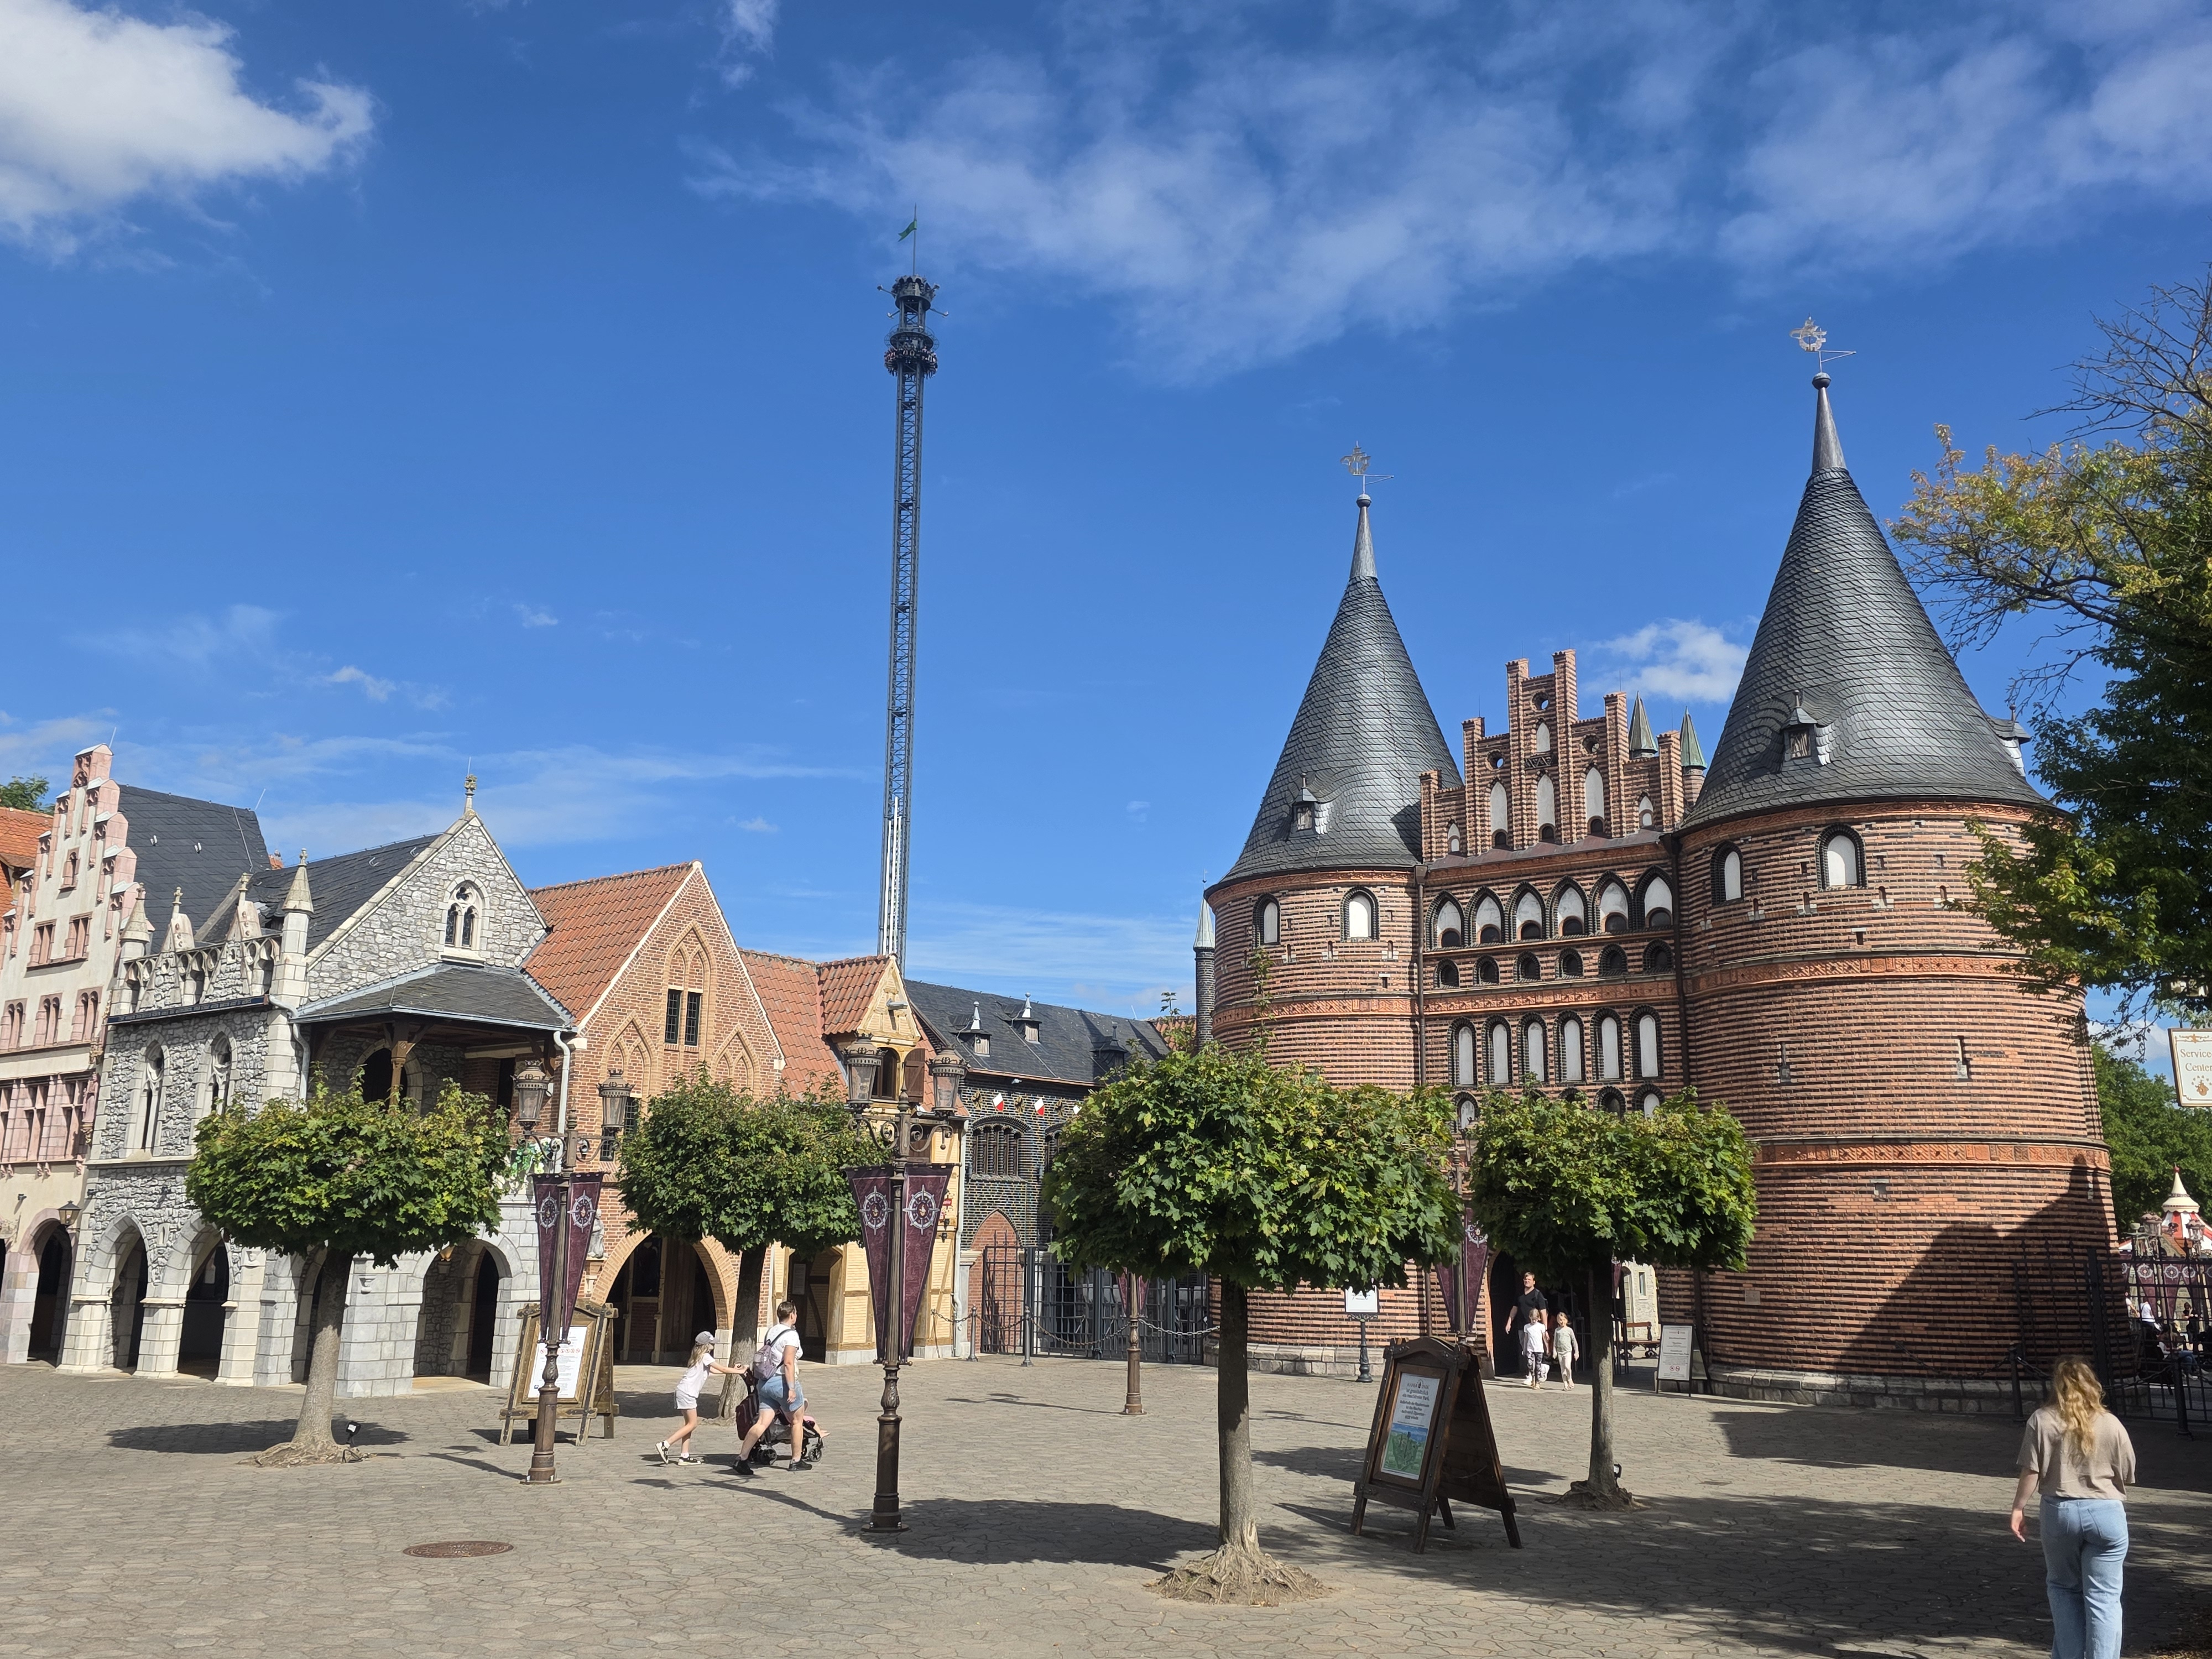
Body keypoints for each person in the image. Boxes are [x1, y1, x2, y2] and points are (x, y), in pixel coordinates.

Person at [2011, 1356, 2136, 1659]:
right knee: (2104, 1598)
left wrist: (2018, 1508)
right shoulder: (2111, 1423)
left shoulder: (2042, 1420)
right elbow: (2129, 1471)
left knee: (2064, 1588)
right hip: (2107, 1513)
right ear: (2092, 1386)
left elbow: (2031, 1470)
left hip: (2061, 1512)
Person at [737, 1300, 821, 1470]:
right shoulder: (791, 1336)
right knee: (797, 1421)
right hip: (781, 1382)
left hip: (765, 1382)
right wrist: (791, 1388)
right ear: (792, 1315)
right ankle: (796, 1460)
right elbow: (788, 1363)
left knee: (762, 1423)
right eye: (795, 1313)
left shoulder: (772, 1331)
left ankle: (742, 1459)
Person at [659, 1331, 742, 1466]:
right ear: (707, 1345)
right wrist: (740, 1371)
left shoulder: (698, 1357)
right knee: (693, 1424)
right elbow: (722, 1369)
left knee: (688, 1425)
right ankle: (666, 1444)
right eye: (712, 1343)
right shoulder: (706, 1357)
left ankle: (684, 1456)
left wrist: (733, 1370)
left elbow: (716, 1371)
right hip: (688, 1393)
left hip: (683, 1392)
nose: (714, 1345)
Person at [1505, 1272, 1548, 1387]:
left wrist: (1545, 1329)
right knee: (1527, 1351)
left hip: (1535, 1328)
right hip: (1523, 1327)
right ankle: (1532, 1374)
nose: (1527, 1281)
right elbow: (1515, 1309)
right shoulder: (1520, 1294)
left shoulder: (1538, 1295)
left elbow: (1543, 1312)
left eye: (1529, 1279)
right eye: (1525, 1279)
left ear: (1534, 1282)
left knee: (1535, 1350)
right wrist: (1509, 1322)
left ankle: (1533, 1374)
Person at [1551, 1310, 1580, 1391]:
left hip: (1568, 1351)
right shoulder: (1557, 1330)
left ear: (1567, 1320)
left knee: (1568, 1366)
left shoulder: (1569, 1330)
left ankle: (1570, 1379)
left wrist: (1577, 1352)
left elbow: (1574, 1341)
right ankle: (1565, 1384)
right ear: (1558, 1320)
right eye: (1560, 1320)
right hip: (1560, 1352)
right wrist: (1554, 1351)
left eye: (1564, 1320)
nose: (1562, 1322)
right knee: (1563, 1369)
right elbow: (1555, 1342)